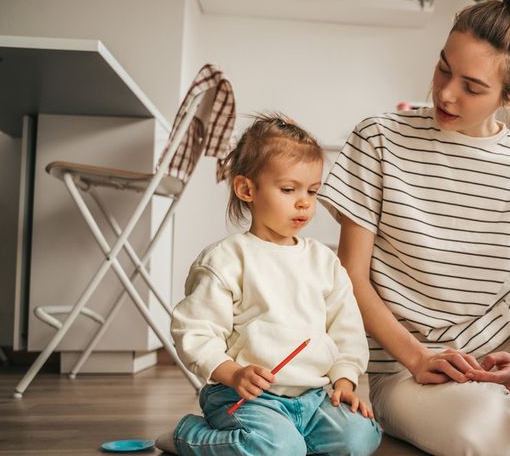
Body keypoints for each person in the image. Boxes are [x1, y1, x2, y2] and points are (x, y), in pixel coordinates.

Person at [318, 0, 510, 455]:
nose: (445, 93)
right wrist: (417, 358)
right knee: (487, 434)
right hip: (406, 366)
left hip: (504, 351)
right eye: (444, 68)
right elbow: (350, 278)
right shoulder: (378, 138)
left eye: (472, 86)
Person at [159, 114, 381, 456]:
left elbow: (346, 330)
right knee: (277, 448)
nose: (305, 202)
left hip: (312, 396)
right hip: (243, 396)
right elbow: (196, 333)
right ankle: (187, 435)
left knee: (361, 437)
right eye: (289, 190)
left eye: (312, 191)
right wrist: (233, 374)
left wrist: (344, 381)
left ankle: (288, 441)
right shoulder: (227, 259)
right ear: (247, 189)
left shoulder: (324, 261)